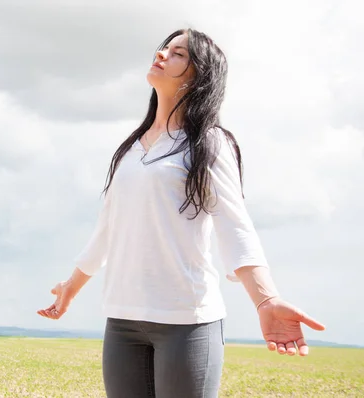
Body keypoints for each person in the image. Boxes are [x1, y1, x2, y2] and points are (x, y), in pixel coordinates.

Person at [37, 28, 325, 398]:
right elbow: (107, 231)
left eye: (178, 54)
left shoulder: (208, 143)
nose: (161, 54)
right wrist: (70, 288)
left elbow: (235, 228)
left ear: (199, 78)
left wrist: (266, 299)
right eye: (164, 48)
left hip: (186, 323)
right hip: (123, 320)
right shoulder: (129, 149)